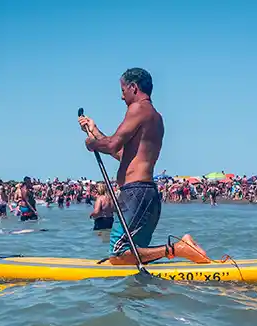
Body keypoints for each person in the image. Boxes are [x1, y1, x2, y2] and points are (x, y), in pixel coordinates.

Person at [78, 67, 210, 264]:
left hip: (135, 193)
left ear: (133, 87)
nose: (121, 97)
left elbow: (113, 144)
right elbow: (123, 155)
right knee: (133, 258)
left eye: (123, 91)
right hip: (147, 194)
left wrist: (91, 144)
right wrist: (95, 132)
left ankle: (180, 248)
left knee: (119, 254)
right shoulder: (155, 117)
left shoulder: (137, 109)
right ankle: (143, 289)